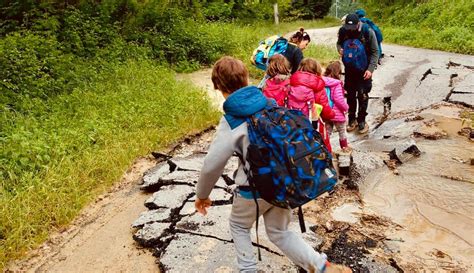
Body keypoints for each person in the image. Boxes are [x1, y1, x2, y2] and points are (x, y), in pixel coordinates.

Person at [195, 56, 352, 273]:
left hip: (253, 191)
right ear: (246, 78)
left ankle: (248, 270)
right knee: (280, 231)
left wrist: (202, 195)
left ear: (218, 86)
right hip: (283, 183)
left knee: (239, 226)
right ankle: (321, 266)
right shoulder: (269, 104)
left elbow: (212, 165)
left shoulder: (231, 121)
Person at [336, 13, 379, 134]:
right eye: (347, 27)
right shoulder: (343, 30)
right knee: (350, 94)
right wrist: (340, 49)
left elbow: (375, 52)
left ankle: (361, 121)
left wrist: (370, 69)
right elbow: (338, 43)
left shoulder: (367, 31)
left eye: (352, 28)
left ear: (358, 24)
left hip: (364, 69)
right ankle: (351, 120)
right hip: (349, 68)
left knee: (363, 94)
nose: (350, 30)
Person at [289, 58, 335, 152]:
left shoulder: (291, 83)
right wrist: (332, 115)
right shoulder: (318, 87)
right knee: (321, 147)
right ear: (317, 70)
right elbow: (325, 109)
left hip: (293, 124)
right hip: (312, 125)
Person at [323, 61, 351, 152]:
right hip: (337, 113)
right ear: (337, 72)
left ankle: (325, 150)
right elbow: (338, 99)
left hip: (326, 111)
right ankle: (344, 148)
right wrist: (346, 107)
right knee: (342, 131)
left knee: (327, 132)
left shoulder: (322, 82)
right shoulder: (336, 83)